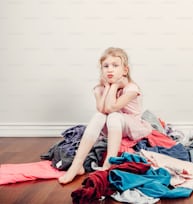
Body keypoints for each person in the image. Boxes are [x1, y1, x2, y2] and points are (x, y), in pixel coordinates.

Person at [58, 47, 152, 184]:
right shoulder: (99, 88)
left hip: (133, 126)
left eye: (115, 65)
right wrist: (108, 87)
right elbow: (102, 109)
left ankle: (109, 163)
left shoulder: (131, 88)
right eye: (105, 66)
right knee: (99, 116)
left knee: (113, 115)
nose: (110, 69)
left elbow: (111, 107)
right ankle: (76, 165)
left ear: (125, 70)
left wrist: (114, 87)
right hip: (113, 125)